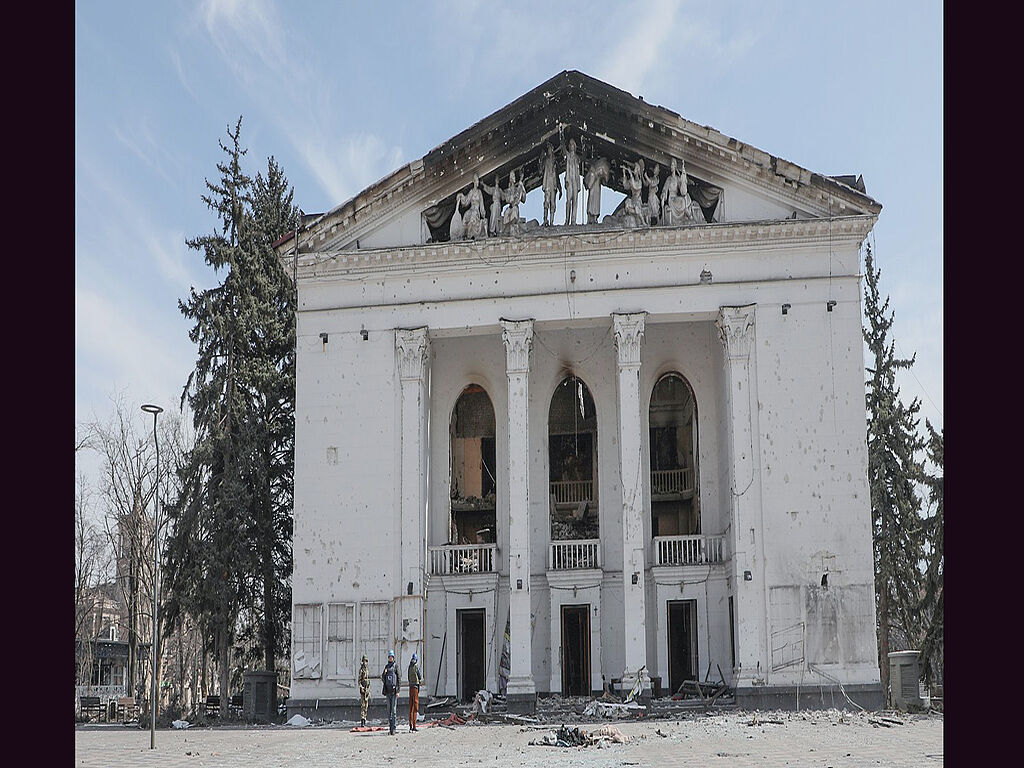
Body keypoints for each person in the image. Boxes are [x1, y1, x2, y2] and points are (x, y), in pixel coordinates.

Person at [381, 649, 400, 735]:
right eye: (389, 657)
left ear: (393, 657)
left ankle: (394, 728)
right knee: (389, 711)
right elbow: (383, 678)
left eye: (391, 657)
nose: (390, 658)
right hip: (387, 692)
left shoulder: (395, 666)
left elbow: (398, 679)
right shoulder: (386, 667)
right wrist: (384, 674)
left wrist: (398, 691)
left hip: (394, 691)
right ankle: (390, 728)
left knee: (394, 711)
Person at [563, 138, 581, 225]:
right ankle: (567, 220)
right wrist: (561, 135)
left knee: (575, 200)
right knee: (568, 200)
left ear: (575, 146)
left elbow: (578, 171)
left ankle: (573, 220)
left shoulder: (577, 158)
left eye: (573, 144)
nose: (571, 146)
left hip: (575, 180)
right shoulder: (568, 155)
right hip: (569, 180)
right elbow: (563, 149)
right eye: (570, 145)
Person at [407, 652, 422, 731]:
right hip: (416, 687)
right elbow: (419, 676)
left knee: (411, 706)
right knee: (415, 706)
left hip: (410, 687)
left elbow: (408, 677)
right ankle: (414, 726)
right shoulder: (416, 667)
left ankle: (410, 724)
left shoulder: (409, 667)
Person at [358, 655, 371, 726]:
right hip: (363, 689)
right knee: (363, 705)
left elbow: (368, 680)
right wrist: (361, 687)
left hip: (367, 689)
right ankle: (362, 720)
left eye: (366, 661)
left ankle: (365, 718)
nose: (365, 663)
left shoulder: (367, 670)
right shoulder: (361, 670)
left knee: (366, 705)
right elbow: (359, 681)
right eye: (364, 661)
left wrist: (369, 690)